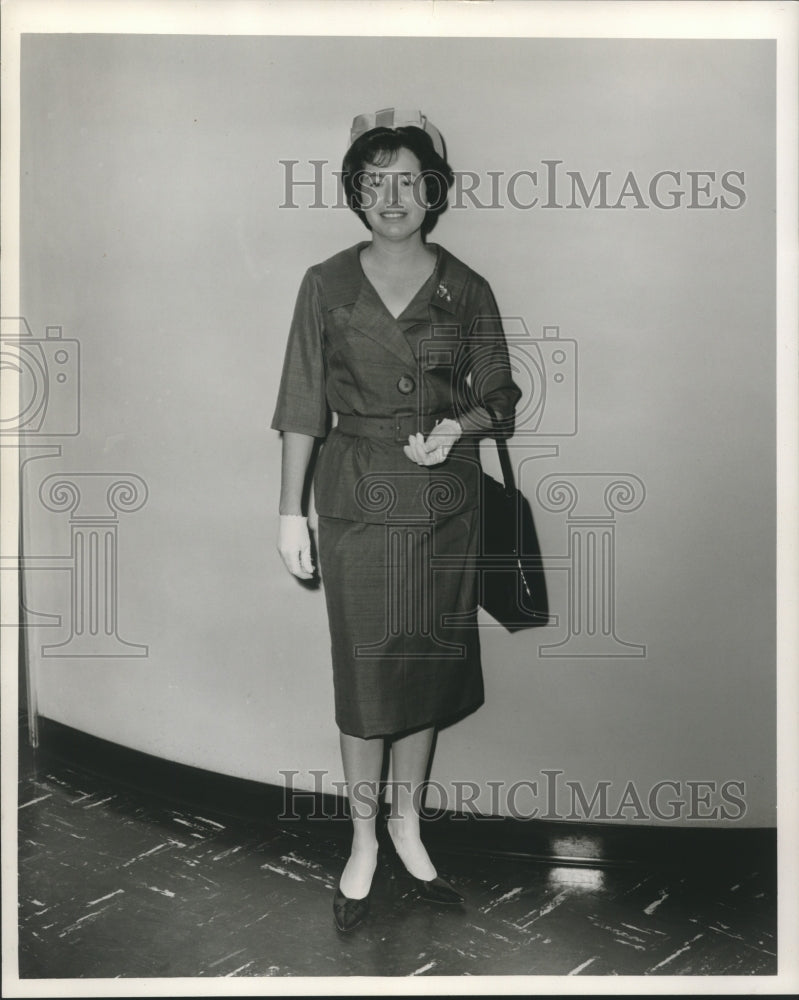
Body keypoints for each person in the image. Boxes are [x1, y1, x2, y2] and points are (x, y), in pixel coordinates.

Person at [271, 109, 521, 932]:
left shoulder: (466, 287)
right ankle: (362, 841)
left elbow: (500, 400)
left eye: (408, 181)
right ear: (354, 192)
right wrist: (288, 512)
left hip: (445, 503)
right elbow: (302, 404)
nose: (392, 196)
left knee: (425, 677)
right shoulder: (326, 284)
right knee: (368, 679)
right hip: (355, 498)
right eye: (375, 182)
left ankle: (409, 829)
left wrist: (457, 428)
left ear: (432, 193)